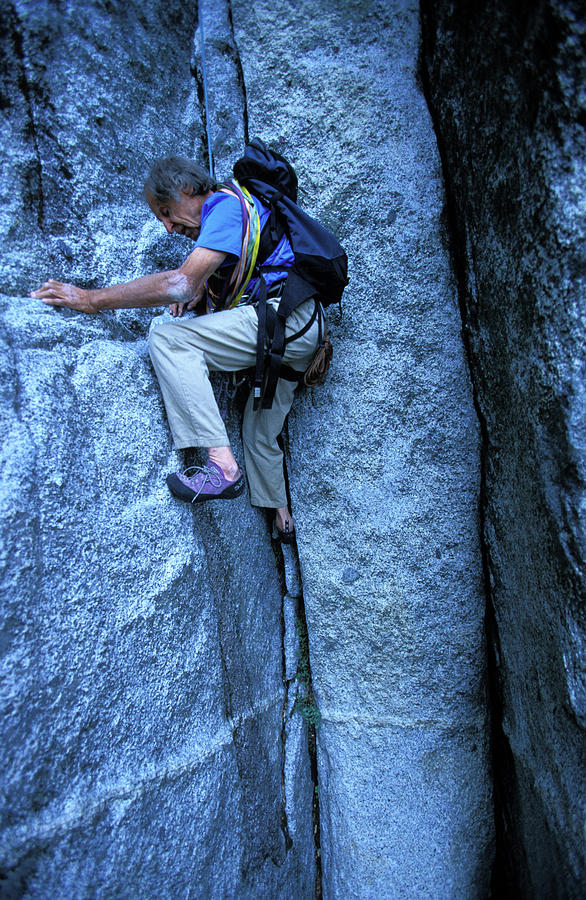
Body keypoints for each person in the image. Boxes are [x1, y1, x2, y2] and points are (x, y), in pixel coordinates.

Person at [31, 156, 322, 540]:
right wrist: (204, 290)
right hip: (300, 334)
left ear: (188, 188)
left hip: (283, 322)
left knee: (170, 339)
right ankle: (282, 519)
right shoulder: (239, 217)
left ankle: (222, 467)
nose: (168, 227)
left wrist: (91, 299)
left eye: (167, 212)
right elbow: (205, 282)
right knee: (258, 431)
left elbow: (180, 283)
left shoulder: (224, 205)